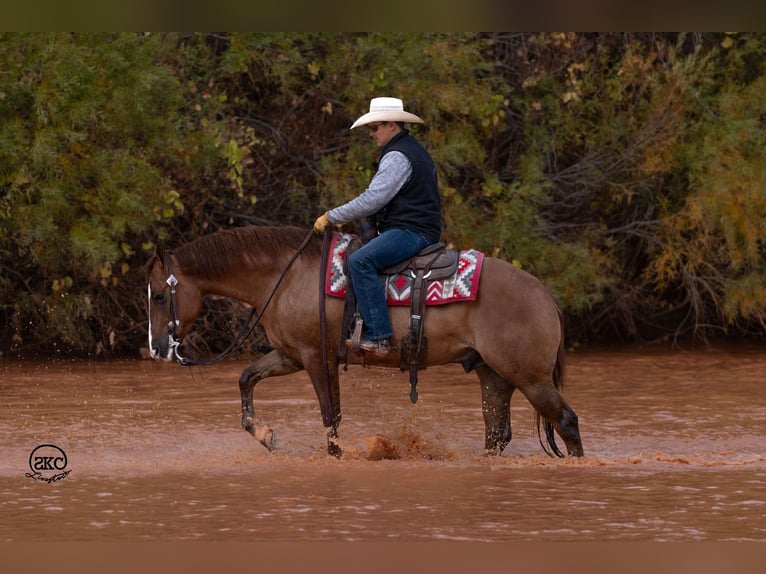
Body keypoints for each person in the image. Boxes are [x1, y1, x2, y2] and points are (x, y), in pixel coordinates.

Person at [314, 97, 442, 357]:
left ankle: (379, 335)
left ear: (392, 125)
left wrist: (332, 215)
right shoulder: (410, 150)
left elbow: (372, 199)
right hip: (417, 226)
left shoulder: (397, 156)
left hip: (413, 231)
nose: (371, 134)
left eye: (375, 128)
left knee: (360, 261)